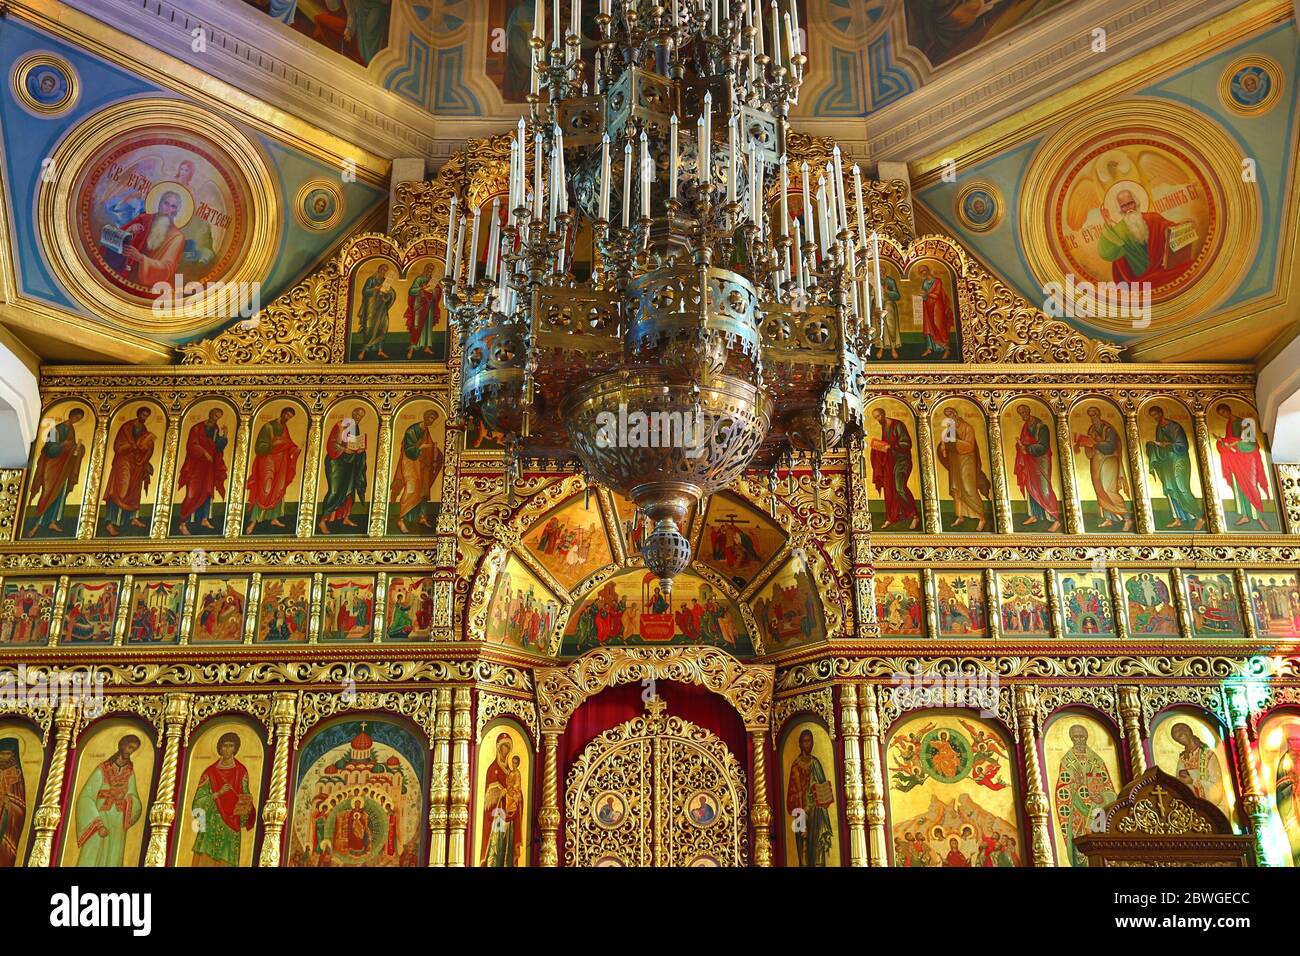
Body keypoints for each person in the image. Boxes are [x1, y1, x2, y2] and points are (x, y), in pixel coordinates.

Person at [73, 734, 143, 866]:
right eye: (129, 747)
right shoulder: (103, 769)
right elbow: (85, 797)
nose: (130, 751)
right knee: (93, 854)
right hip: (100, 819)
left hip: (118, 824)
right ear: (122, 745)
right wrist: (97, 824)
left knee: (113, 857)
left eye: (134, 749)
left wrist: (127, 798)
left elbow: (134, 797)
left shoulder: (130, 772)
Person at [1054, 724, 1117, 866]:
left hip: (1097, 812)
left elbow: (1110, 790)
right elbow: (1062, 791)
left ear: (1087, 737)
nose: (1080, 740)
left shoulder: (1097, 761)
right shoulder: (1067, 761)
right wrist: (1075, 786)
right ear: (1071, 738)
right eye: (1076, 737)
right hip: (1078, 814)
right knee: (1082, 848)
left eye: (1082, 736)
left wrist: (1102, 798)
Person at [189, 732, 255, 867]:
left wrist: (247, 806)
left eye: (231, 746)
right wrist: (217, 794)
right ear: (219, 748)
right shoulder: (210, 772)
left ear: (235, 749)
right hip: (210, 825)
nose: (227, 749)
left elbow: (245, 796)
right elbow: (197, 802)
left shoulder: (241, 772)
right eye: (224, 746)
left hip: (230, 828)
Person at [26, 408, 85, 536]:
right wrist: (67, 446)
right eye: (76, 417)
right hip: (52, 467)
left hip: (64, 468)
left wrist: (77, 449)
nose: (77, 420)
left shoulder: (71, 429)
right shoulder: (57, 429)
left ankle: (52, 521)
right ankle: (36, 525)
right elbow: (49, 448)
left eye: (79, 419)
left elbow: (70, 450)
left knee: (60, 494)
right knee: (48, 492)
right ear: (71, 415)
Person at [1145, 406, 1204, 529]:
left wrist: (1167, 444)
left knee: (1182, 487)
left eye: (1156, 414)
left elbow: (1182, 445)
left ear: (1161, 412)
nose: (1155, 417)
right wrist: (1153, 446)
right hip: (1166, 462)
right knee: (1170, 488)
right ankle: (1178, 518)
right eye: (1153, 416)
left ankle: (1200, 517)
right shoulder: (1159, 428)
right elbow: (1160, 445)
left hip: (1178, 459)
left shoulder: (1174, 426)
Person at [1074, 405, 1132, 529]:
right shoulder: (1092, 430)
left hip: (1109, 459)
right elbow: (1091, 445)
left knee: (1108, 489)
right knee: (1099, 489)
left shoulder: (1108, 429)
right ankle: (1109, 517)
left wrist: (1095, 443)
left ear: (1099, 414)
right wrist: (1081, 444)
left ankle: (1127, 517)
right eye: (1090, 415)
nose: (1092, 417)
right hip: (1096, 461)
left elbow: (1110, 446)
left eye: (1094, 414)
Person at [101, 406, 156, 536]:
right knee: (119, 489)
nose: (144, 418)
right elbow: (118, 447)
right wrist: (132, 446)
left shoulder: (144, 430)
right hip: (123, 461)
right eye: (143, 415)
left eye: (146, 416)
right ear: (138, 414)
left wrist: (144, 450)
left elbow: (148, 446)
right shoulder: (126, 428)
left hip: (137, 463)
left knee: (134, 490)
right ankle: (110, 523)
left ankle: (132, 518)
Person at [1214, 403, 1271, 529]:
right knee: (1238, 486)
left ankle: (1260, 517)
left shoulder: (1245, 422)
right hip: (1236, 460)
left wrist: (1235, 443)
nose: (1224, 415)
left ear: (1229, 409)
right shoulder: (1228, 424)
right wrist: (1223, 442)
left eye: (1224, 412)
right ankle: (1245, 515)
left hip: (1248, 459)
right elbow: (1231, 442)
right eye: (1221, 414)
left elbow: (1251, 444)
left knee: (1251, 486)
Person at [245, 407, 300, 533]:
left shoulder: (285, 428)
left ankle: (274, 518)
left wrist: (295, 449)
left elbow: (288, 443)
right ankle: (253, 520)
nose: (288, 418)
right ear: (282, 413)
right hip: (268, 461)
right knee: (265, 488)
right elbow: (259, 447)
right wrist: (273, 444)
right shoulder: (268, 427)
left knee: (278, 488)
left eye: (290, 417)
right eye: (287, 415)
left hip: (281, 463)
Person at [176, 407, 228, 535]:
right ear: (210, 413)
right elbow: (191, 445)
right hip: (196, 465)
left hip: (208, 466)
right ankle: (183, 523)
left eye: (218, 417)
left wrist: (224, 435)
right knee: (192, 493)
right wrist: (204, 452)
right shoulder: (197, 428)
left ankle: (204, 519)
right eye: (215, 415)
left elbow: (217, 447)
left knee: (207, 491)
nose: (216, 419)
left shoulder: (216, 429)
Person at [936, 406, 989, 530]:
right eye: (948, 416)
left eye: (951, 414)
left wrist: (953, 442)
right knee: (956, 489)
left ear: (956, 414)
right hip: (955, 461)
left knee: (968, 488)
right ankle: (960, 516)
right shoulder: (950, 429)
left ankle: (981, 517)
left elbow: (969, 446)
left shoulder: (967, 428)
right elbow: (946, 442)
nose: (950, 417)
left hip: (967, 460)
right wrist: (944, 446)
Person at [391, 408, 444, 532]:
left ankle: (422, 517)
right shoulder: (412, 430)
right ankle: (401, 520)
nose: (431, 420)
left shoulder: (426, 431)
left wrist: (435, 452)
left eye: (434, 419)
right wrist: (423, 446)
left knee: (424, 491)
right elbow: (408, 449)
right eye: (430, 417)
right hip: (410, 463)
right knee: (411, 489)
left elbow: (429, 449)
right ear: (425, 416)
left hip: (422, 465)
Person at [786, 729, 834, 866]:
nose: (808, 744)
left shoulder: (815, 763)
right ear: (800, 744)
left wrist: (818, 792)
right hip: (801, 812)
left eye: (810, 741)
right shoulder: (796, 766)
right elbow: (791, 793)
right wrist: (801, 806)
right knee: (804, 849)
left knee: (816, 846)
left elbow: (823, 787)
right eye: (805, 741)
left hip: (816, 812)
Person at [318, 407, 369, 533]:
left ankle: (346, 517)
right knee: (335, 491)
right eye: (357, 413)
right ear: (352, 413)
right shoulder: (343, 424)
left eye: (361, 416)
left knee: (350, 491)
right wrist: (343, 449)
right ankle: (322, 521)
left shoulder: (356, 428)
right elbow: (332, 444)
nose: (358, 417)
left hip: (350, 462)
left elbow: (352, 444)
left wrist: (359, 450)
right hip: (336, 462)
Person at [121, 191, 186, 288]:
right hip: (124, 270)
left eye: (173, 206)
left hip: (145, 283)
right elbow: (116, 237)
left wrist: (141, 259)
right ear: (159, 204)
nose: (168, 209)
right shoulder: (144, 219)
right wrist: (130, 230)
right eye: (166, 203)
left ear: (176, 211)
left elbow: (167, 268)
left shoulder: (177, 237)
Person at [869, 406, 920, 529]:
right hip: (891, 462)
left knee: (899, 487)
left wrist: (891, 447)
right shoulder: (884, 426)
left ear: (883, 413)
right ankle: (892, 517)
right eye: (875, 418)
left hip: (903, 461)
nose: (878, 419)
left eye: (879, 416)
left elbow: (906, 443)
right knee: (888, 489)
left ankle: (915, 516)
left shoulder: (897, 425)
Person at [1012, 404, 1061, 531]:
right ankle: (1034, 515)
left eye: (1024, 411)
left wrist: (1027, 448)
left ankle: (1055, 518)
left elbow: (1043, 446)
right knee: (1031, 486)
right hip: (1029, 460)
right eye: (1020, 413)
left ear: (1029, 411)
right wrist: (1021, 446)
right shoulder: (1025, 427)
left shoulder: (1041, 427)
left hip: (1041, 460)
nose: (1023, 414)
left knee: (1044, 487)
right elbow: (1024, 443)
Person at [479, 732, 521, 867]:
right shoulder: (493, 769)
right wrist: (499, 791)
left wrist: (516, 796)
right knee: (496, 845)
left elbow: (516, 789)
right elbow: (488, 795)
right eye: (504, 747)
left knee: (507, 845)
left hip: (508, 812)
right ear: (498, 748)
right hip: (497, 814)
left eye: (508, 748)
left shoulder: (511, 771)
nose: (506, 750)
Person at [355, 263, 396, 359]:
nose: (384, 272)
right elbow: (365, 292)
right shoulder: (371, 280)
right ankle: (364, 350)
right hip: (371, 307)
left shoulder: (385, 281)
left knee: (382, 326)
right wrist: (375, 289)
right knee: (369, 327)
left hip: (381, 307)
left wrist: (388, 293)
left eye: (385, 270)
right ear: (378, 269)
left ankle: (380, 350)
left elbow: (389, 295)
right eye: (382, 269)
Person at [403, 262, 441, 359]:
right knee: (417, 325)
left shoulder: (433, 281)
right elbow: (411, 291)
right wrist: (422, 289)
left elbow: (438, 291)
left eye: (431, 269)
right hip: (420, 306)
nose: (430, 271)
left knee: (428, 326)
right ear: (425, 269)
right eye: (428, 268)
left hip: (429, 306)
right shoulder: (419, 279)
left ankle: (427, 346)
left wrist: (433, 290)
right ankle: (412, 347)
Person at [916, 265, 953, 358]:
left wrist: (926, 293)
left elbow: (936, 295)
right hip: (928, 306)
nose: (923, 273)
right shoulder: (924, 283)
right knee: (929, 326)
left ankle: (946, 349)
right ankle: (929, 348)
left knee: (939, 325)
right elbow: (925, 296)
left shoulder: (937, 281)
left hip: (937, 306)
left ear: (928, 270)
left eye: (924, 270)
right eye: (921, 272)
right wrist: (923, 296)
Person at [0, 738, 25, 867]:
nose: (3, 757)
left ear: (13, 755)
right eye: (1, 753)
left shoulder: (16, 774)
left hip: (5, 818)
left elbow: (19, 806)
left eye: (7, 754)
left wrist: (8, 804)